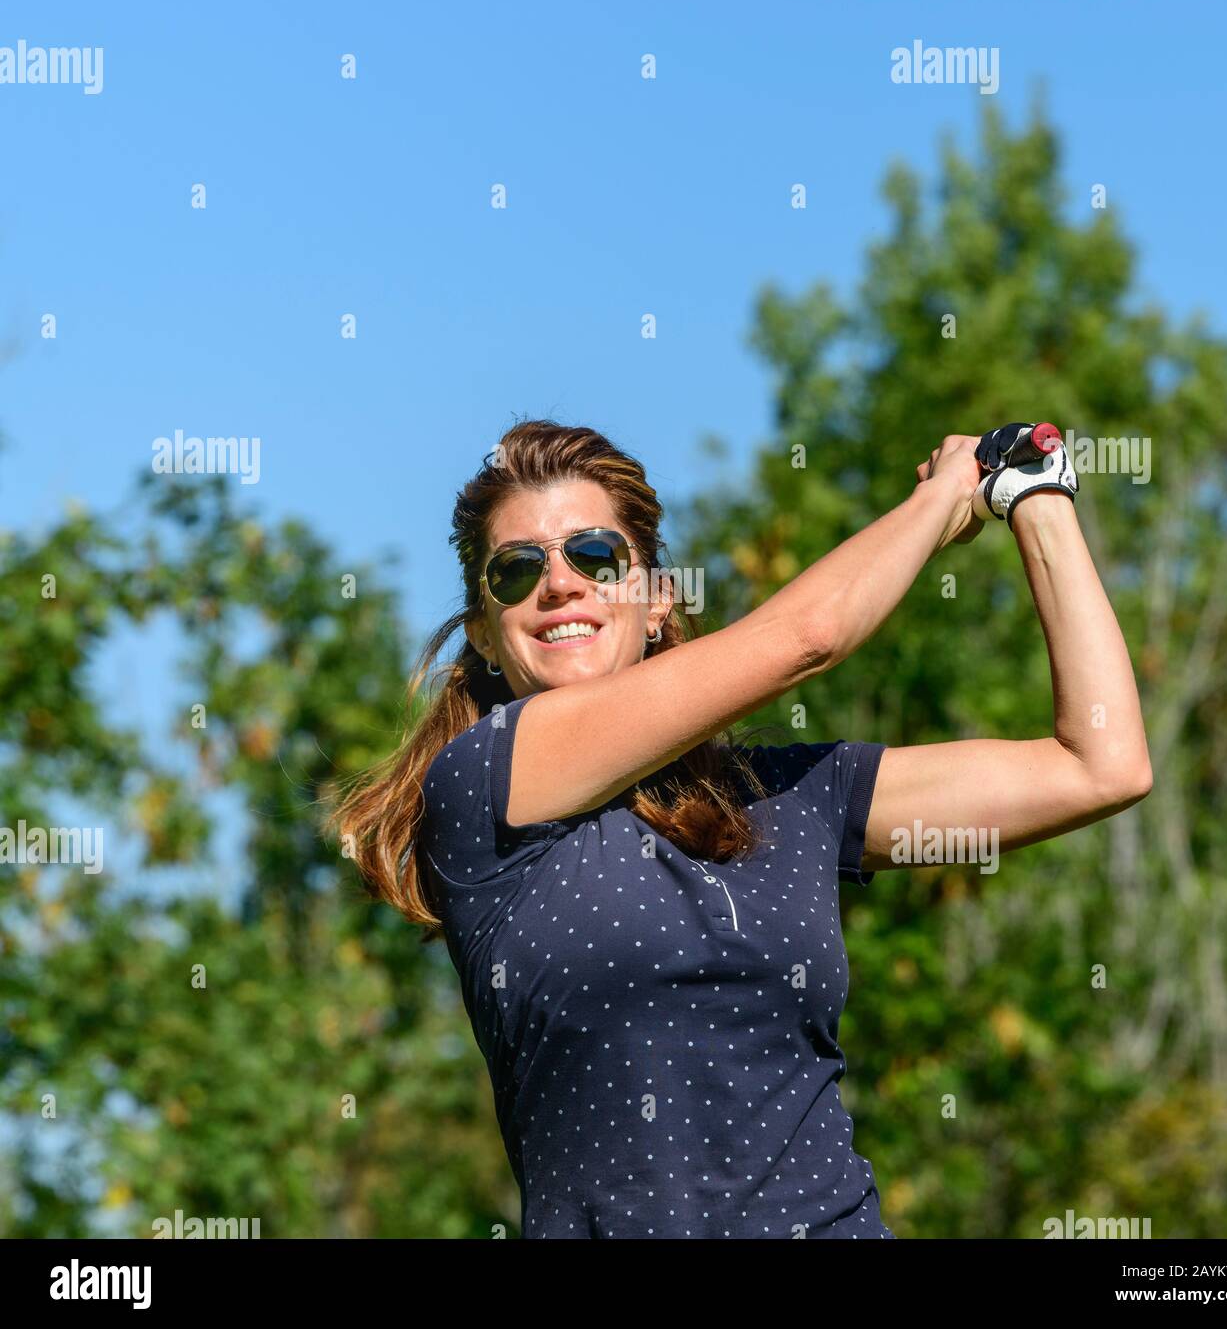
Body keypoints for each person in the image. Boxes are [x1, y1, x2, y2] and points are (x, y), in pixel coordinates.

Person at [332, 418, 1152, 1239]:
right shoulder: (486, 783)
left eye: (594, 556)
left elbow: (1101, 764)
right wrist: (942, 500)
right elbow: (810, 636)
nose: (560, 585)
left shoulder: (791, 798)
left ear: (656, 602)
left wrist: (1035, 493)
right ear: (483, 631)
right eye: (515, 571)